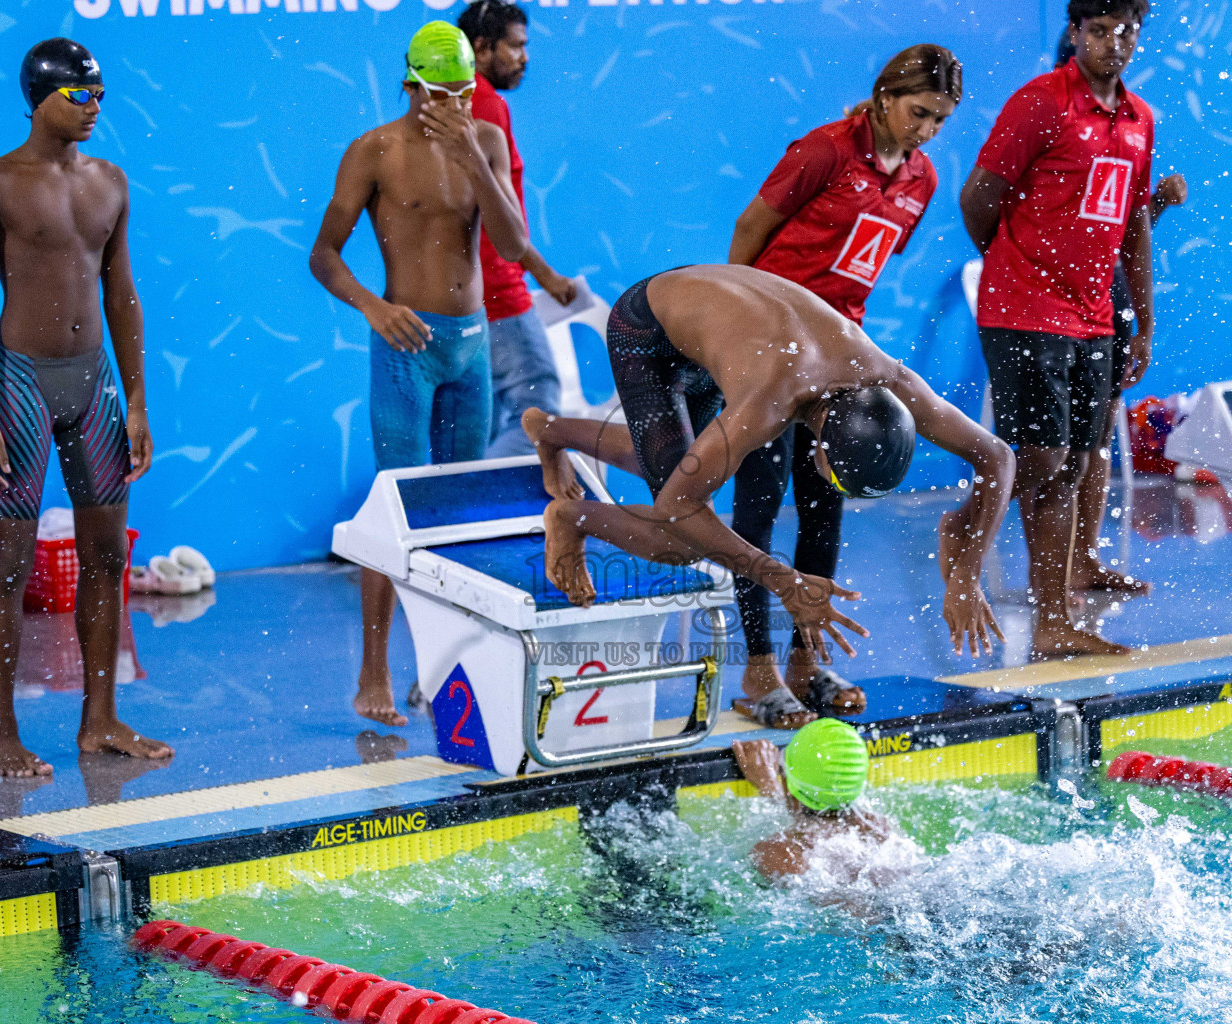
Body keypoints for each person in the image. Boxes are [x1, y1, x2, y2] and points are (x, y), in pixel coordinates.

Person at [523, 263, 1015, 661]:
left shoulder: (890, 381)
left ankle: (550, 429)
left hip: (721, 318)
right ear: (821, 448)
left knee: (676, 456)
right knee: (677, 538)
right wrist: (785, 581)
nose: (833, 489)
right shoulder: (769, 404)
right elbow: (679, 505)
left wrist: (968, 573)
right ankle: (569, 517)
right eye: (839, 482)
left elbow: (997, 457)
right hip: (648, 328)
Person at [0, 38, 169, 777]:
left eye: (100, 96)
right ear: (40, 98)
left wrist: (136, 398)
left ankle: (99, 720)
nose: (94, 108)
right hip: (20, 384)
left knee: (106, 556)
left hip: (94, 382)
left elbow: (121, 293)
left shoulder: (111, 181)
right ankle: (3, 734)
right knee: (8, 565)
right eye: (80, 96)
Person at [725, 44, 962, 729]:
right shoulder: (824, 151)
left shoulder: (921, 180)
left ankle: (806, 661)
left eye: (940, 121)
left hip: (835, 363)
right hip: (768, 354)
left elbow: (868, 266)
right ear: (885, 95)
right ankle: (758, 667)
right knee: (760, 510)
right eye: (918, 112)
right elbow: (749, 231)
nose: (925, 130)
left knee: (825, 506)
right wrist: (741, 333)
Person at [310, 22, 528, 727]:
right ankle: (373, 670)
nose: (457, 105)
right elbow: (324, 255)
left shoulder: (484, 143)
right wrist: (374, 307)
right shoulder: (375, 151)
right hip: (405, 347)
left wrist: (471, 153)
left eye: (467, 93)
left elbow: (513, 244)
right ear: (411, 87)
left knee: (457, 515)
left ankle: (443, 664)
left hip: (471, 346)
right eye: (443, 93)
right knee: (392, 511)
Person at [958, 0, 1155, 659]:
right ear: (1075, 34)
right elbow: (978, 198)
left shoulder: (1139, 121)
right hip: (1024, 310)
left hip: (1094, 317)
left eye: (1125, 31)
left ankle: (1052, 622)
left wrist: (1144, 323)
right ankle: (960, 532)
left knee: (1073, 465)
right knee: (1040, 461)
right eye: (1098, 30)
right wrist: (1018, 262)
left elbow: (1134, 226)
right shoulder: (1042, 101)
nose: (1112, 43)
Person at [1047, 27, 1187, 597]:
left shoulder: (1128, 126)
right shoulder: (1052, 126)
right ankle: (1050, 576)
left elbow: (1122, 229)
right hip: (1057, 301)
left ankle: (1084, 560)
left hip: (1110, 296)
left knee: (1098, 435)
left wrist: (1155, 204)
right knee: (1053, 449)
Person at [457, 0, 580, 458]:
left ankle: (474, 517)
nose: (525, 58)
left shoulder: (450, 105)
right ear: (482, 47)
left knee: (486, 421)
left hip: (465, 290)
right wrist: (544, 275)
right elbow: (499, 216)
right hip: (496, 288)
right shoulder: (485, 105)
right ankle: (485, 513)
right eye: (516, 46)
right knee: (538, 408)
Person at [730, 721, 902, 883]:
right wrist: (771, 790)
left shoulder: (780, 853)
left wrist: (768, 786)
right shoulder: (878, 830)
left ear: (788, 784)